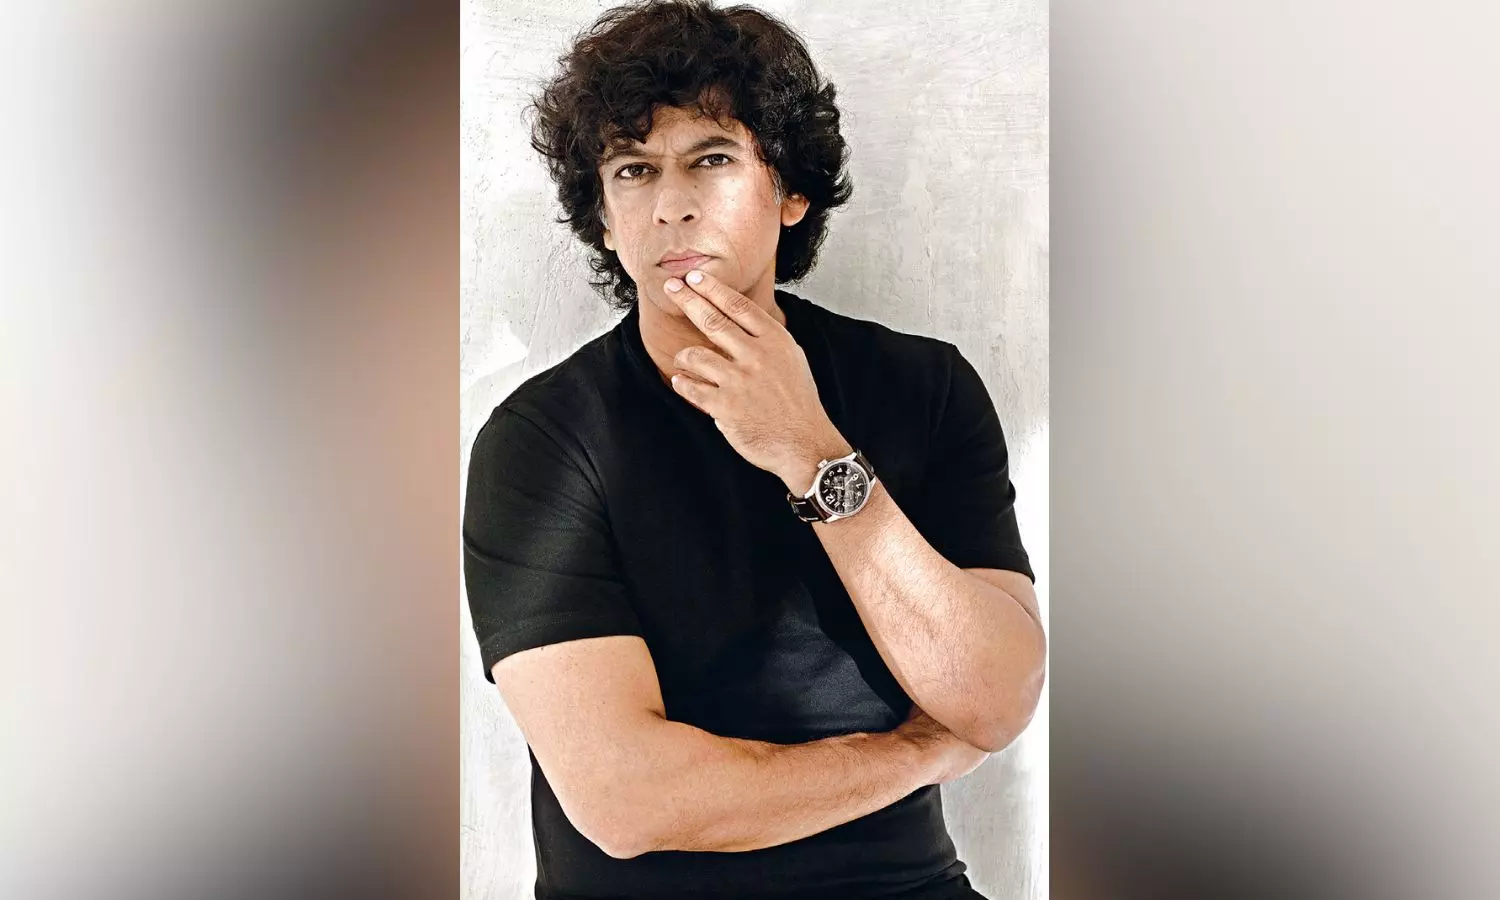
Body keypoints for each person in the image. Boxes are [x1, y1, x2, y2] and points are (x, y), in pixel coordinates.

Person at [462, 2, 1046, 897]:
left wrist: (810, 450)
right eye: (634, 170)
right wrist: (919, 754)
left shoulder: (922, 388)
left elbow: (997, 698)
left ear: (791, 191)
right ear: (605, 219)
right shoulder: (541, 441)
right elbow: (627, 801)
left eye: (713, 159)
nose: (672, 206)